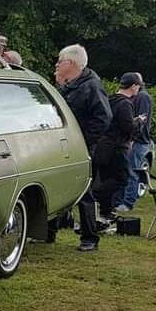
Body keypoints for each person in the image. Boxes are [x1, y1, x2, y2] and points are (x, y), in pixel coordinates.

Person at [54, 44, 112, 252]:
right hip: (63, 145)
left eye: (60, 61)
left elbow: (104, 118)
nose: (57, 65)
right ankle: (49, 231)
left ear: (71, 63)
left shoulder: (91, 86)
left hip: (82, 147)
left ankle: (90, 237)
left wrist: (83, 141)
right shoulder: (70, 86)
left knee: (83, 191)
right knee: (56, 186)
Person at [93, 73, 140, 223]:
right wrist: (138, 122)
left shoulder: (109, 99)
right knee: (121, 179)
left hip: (103, 145)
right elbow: (127, 126)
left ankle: (106, 212)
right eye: (138, 86)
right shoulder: (125, 103)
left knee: (107, 177)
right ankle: (96, 194)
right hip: (117, 147)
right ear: (133, 86)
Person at [115, 72, 153, 212]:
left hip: (138, 141)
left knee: (132, 171)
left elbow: (142, 119)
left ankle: (127, 203)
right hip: (133, 139)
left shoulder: (142, 97)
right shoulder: (134, 97)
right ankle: (119, 201)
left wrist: (133, 138)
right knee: (126, 170)